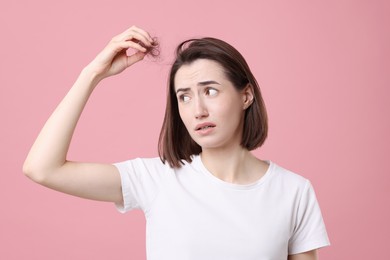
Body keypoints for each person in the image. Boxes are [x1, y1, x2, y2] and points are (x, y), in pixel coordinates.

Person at [23, 25, 330, 260]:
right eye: (184, 96)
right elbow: (42, 168)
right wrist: (92, 74)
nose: (198, 110)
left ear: (245, 95)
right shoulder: (156, 179)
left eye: (210, 91)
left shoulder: (293, 191)